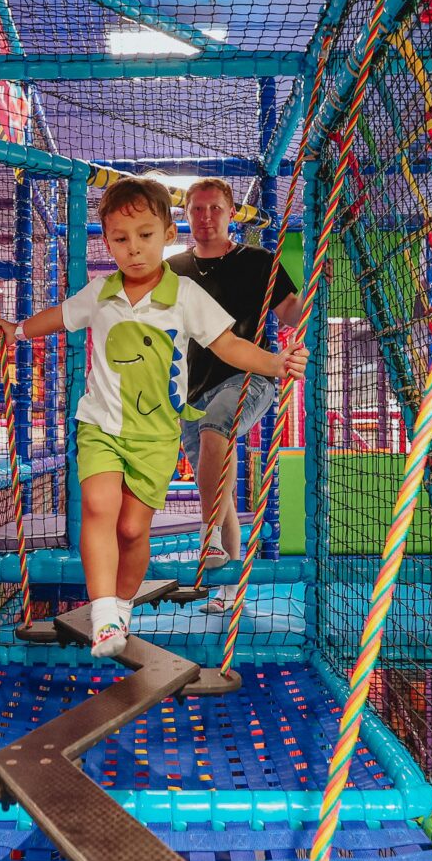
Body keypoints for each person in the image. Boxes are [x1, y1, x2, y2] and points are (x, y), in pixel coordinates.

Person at [0, 176, 306, 658]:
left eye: (145, 235)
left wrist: (275, 363)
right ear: (107, 242)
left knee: (132, 530)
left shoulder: (186, 293)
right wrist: (17, 331)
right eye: (121, 239)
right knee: (99, 506)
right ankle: (104, 614)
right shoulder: (101, 292)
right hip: (100, 425)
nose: (134, 248)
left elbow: (228, 345)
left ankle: (122, 605)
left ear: (166, 234)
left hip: (156, 435)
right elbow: (59, 316)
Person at [164, 177, 306, 574]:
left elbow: (291, 312)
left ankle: (207, 536)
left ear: (231, 214)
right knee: (217, 490)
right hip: (193, 388)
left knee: (215, 427)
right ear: (186, 214)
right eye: (197, 209)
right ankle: (228, 588)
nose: (206, 216)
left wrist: (316, 289)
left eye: (215, 208)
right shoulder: (174, 269)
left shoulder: (258, 261)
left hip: (249, 376)